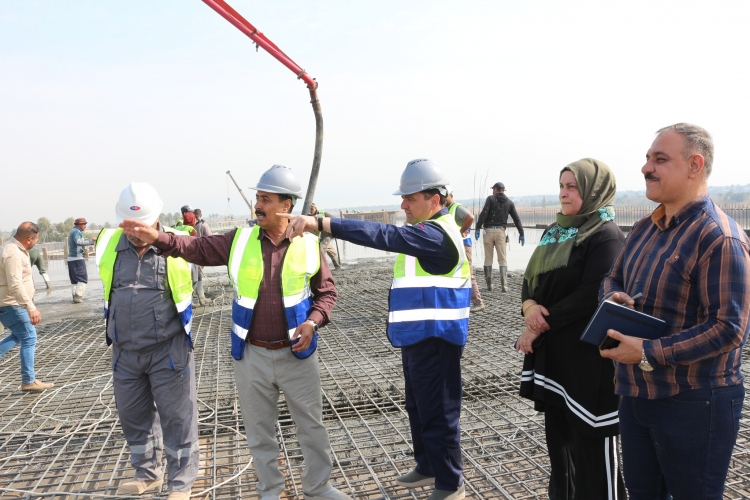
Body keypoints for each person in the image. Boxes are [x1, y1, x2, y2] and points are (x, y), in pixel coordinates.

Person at [120, 165, 349, 500]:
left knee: (311, 427)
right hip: (252, 354)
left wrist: (313, 321)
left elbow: (326, 293)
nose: (257, 204)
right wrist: (159, 238)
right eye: (257, 197)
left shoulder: (309, 245)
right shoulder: (239, 240)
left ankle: (318, 487)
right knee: (258, 432)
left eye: (265, 199)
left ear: (286, 206)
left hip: (297, 355)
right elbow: (194, 248)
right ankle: (270, 489)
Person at [282, 159, 471, 500]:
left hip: (438, 336)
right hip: (418, 335)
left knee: (439, 411)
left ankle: (450, 482)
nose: (402, 205)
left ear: (434, 199)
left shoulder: (436, 235)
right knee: (418, 406)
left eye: (409, 198)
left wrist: (320, 222)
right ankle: (427, 465)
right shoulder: (429, 231)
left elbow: (382, 235)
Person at [599, 123, 750, 500]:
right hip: (637, 393)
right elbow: (611, 277)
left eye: (659, 159)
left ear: (694, 165)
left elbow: (729, 328)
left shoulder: (719, 237)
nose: (646, 168)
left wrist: (649, 352)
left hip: (695, 402)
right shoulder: (644, 228)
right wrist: (613, 296)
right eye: (648, 158)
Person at [515, 159, 626, 499]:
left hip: (588, 361)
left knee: (592, 447)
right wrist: (530, 307)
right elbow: (531, 280)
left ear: (594, 191)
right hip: (557, 360)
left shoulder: (606, 236)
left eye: (572, 187)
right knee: (561, 447)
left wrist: (537, 325)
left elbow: (593, 294)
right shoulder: (554, 232)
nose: (564, 193)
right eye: (561, 186)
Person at [96, 183, 198, 500]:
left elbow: (195, 277)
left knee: (177, 417)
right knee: (133, 416)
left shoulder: (177, 246)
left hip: (168, 350)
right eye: (130, 226)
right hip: (125, 351)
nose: (135, 233)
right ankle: (147, 473)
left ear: (155, 221)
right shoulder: (109, 243)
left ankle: (180, 482)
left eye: (141, 227)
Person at [0, 222, 54, 391]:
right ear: (29, 239)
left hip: (11, 303)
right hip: (12, 304)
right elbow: (15, 284)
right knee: (29, 338)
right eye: (36, 239)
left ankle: (29, 379)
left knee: (19, 336)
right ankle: (28, 381)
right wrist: (30, 307)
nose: (36, 243)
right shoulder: (13, 253)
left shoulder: (11, 248)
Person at [475, 182, 525, 292]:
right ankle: (504, 286)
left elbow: (484, 214)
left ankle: (489, 285)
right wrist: (521, 233)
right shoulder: (509, 203)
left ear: (496, 189)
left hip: (488, 231)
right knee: (502, 259)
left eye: (493, 189)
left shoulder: (490, 199)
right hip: (500, 232)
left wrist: (478, 227)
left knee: (488, 258)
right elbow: (516, 219)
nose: (493, 190)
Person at [445, 188, 484, 312]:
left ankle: (478, 302)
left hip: (464, 244)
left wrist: (461, 231)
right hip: (455, 245)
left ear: (451, 195)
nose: (444, 199)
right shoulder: (448, 209)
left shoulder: (456, 207)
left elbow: (470, 217)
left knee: (468, 273)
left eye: (446, 196)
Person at [67, 217, 95, 303]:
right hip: (77, 258)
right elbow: (78, 242)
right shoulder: (76, 231)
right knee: (83, 278)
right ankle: (78, 297)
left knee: (75, 280)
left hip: (71, 259)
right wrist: (91, 241)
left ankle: (75, 297)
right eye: (84, 224)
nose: (85, 226)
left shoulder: (74, 231)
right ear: (80, 224)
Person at [309, 203, 342, 270]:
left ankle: (321, 268)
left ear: (315, 208)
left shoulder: (322, 213)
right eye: (309, 209)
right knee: (329, 249)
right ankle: (337, 266)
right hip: (322, 235)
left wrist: (320, 217)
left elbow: (334, 219)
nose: (310, 211)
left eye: (311, 209)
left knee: (321, 249)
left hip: (328, 233)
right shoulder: (310, 216)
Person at [193, 209, 212, 305]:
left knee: (194, 276)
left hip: (189, 255)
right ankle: (201, 298)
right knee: (197, 277)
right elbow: (210, 240)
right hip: (198, 256)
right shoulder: (203, 225)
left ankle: (201, 297)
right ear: (201, 214)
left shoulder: (189, 225)